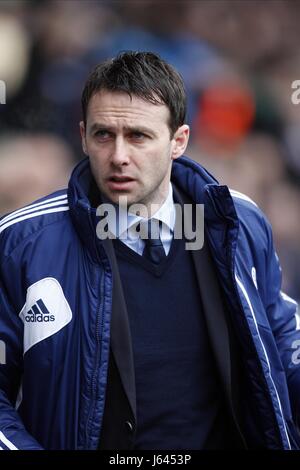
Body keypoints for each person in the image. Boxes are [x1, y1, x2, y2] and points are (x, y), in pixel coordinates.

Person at [0, 51, 300, 451]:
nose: (119, 156)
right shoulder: (23, 242)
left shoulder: (237, 223)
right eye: (103, 134)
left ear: (179, 141)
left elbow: (280, 336)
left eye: (139, 136)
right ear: (83, 135)